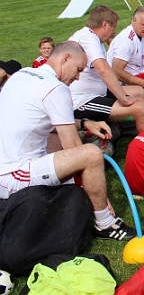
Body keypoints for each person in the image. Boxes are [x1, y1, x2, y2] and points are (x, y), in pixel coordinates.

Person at [0, 41, 136, 240]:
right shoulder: (56, 88)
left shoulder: (23, 74)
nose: (78, 77)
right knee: (91, 154)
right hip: (13, 175)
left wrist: (85, 123)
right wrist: (101, 197)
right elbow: (72, 146)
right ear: (65, 59)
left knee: (56, 141)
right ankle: (105, 223)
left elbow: (45, 120)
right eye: (79, 69)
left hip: (6, 165)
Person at [69, 5, 144, 135]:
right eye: (113, 28)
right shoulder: (87, 38)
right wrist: (124, 98)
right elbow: (103, 69)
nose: (113, 32)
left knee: (138, 91)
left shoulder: (94, 39)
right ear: (105, 25)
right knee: (140, 108)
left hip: (98, 93)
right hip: (83, 100)